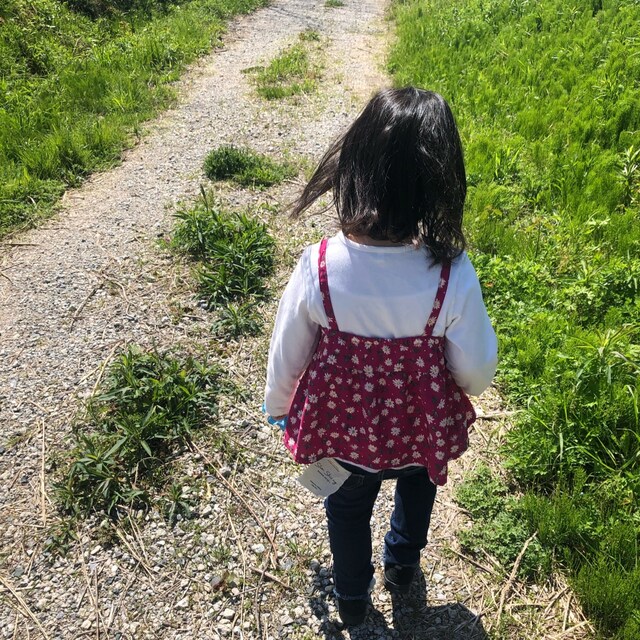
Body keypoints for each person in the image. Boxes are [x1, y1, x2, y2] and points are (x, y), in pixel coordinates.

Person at [263, 87, 497, 626]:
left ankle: (351, 596)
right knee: (419, 487)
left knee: (346, 508)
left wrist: (279, 405)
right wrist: (462, 384)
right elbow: (477, 367)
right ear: (440, 183)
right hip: (419, 424)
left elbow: (288, 351)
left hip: (344, 431)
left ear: (356, 166)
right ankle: (401, 565)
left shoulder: (321, 265)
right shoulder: (451, 273)